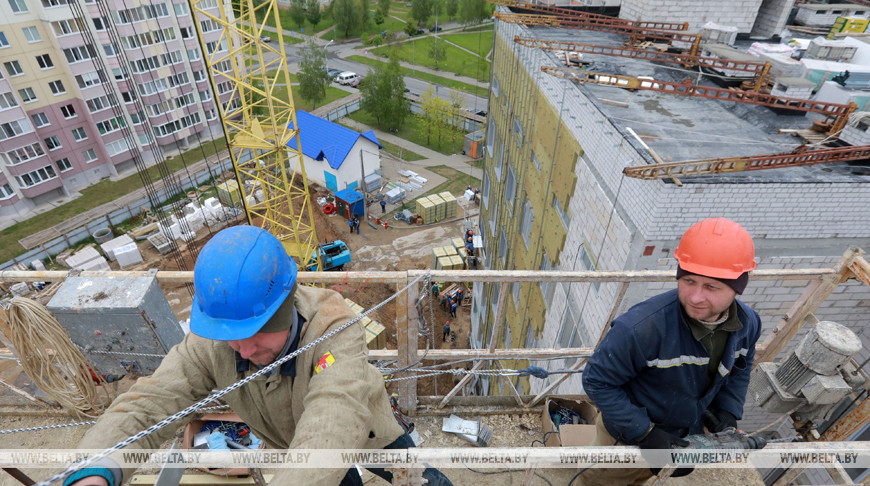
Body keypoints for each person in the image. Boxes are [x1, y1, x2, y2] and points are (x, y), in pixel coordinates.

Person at [64, 226, 452, 486]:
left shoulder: (335, 329)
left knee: (419, 478)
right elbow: (150, 404)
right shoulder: (217, 340)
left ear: (286, 307)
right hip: (297, 452)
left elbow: (334, 419)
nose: (244, 351)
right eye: (233, 338)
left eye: (254, 334)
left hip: (367, 433)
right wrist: (96, 469)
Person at [581, 218, 760, 485]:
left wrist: (728, 411)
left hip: (683, 432)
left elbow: (738, 371)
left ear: (737, 288)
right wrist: (645, 433)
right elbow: (597, 382)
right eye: (688, 281)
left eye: (711, 286)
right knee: (603, 480)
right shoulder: (640, 328)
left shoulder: (748, 324)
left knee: (642, 478)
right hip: (626, 436)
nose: (696, 297)